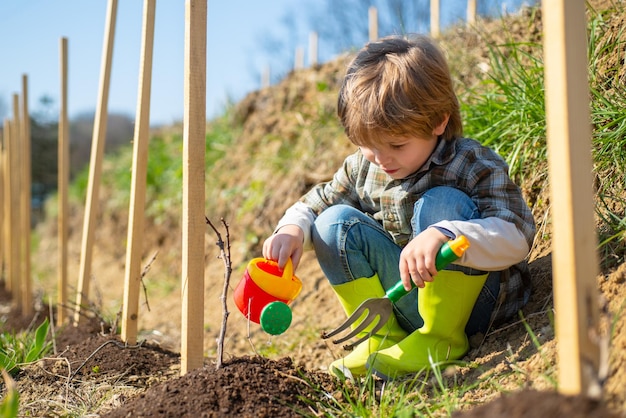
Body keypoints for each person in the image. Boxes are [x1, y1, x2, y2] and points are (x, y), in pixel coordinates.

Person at [262, 34, 536, 381]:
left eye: (396, 144)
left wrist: (447, 233)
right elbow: (317, 203)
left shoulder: (470, 163)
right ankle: (383, 338)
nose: (381, 159)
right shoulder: (366, 168)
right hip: (407, 302)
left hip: (477, 307)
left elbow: (518, 234)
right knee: (332, 223)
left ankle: (442, 339)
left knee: (442, 204)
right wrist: (292, 228)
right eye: (366, 145)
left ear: (438, 121)